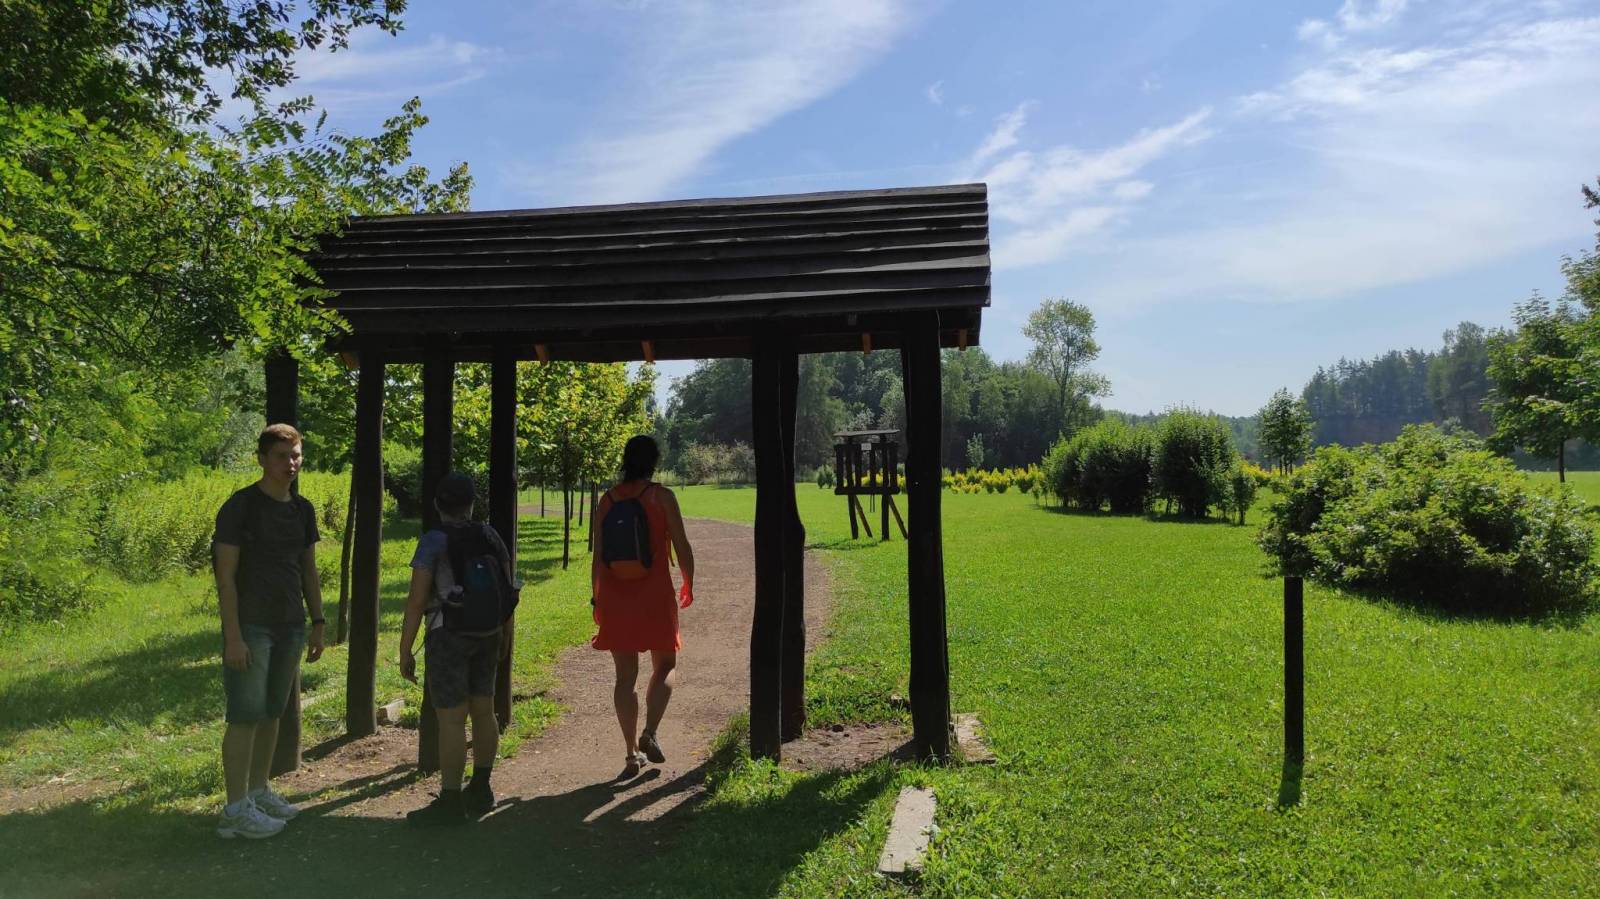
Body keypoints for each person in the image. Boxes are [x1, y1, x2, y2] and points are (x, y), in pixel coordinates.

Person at [211, 423, 327, 840]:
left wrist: (318, 622)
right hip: (251, 627)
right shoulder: (240, 507)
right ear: (261, 459)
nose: (289, 464)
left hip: (290, 625)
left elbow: (308, 569)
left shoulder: (302, 509)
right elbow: (225, 578)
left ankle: (259, 792)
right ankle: (234, 810)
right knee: (245, 715)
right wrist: (233, 637)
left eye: (295, 455)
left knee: (272, 712)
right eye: (280, 456)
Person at [398, 471, 518, 826]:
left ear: (437, 504)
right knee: (484, 711)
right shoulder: (490, 535)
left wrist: (405, 649)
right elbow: (508, 591)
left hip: (447, 635)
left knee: (451, 720)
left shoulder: (433, 542)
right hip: (489, 633)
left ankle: (450, 800)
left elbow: (416, 601)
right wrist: (505, 635)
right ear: (471, 504)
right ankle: (481, 788)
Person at [592, 435, 695, 778]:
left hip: (615, 594)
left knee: (625, 678)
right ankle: (649, 732)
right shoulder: (662, 497)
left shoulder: (607, 500)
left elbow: (598, 556)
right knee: (665, 665)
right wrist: (688, 582)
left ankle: (631, 753)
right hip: (654, 594)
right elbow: (681, 546)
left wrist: (597, 597)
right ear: (654, 461)